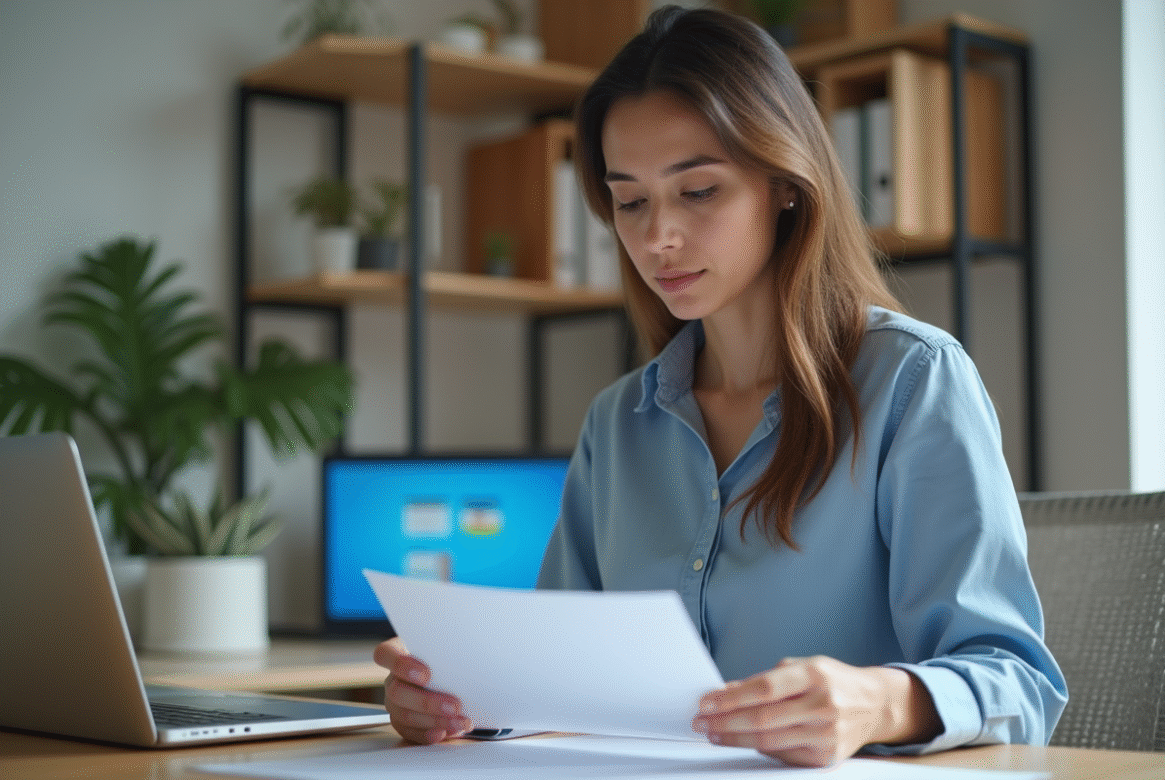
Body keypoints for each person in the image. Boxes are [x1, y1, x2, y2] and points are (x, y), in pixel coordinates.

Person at [375, 5, 1067, 767]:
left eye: (697, 191)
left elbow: (1019, 683)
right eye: (630, 201)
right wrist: (464, 701)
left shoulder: (913, 382)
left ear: (785, 184)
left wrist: (878, 701)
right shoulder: (618, 424)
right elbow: (557, 681)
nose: (656, 237)